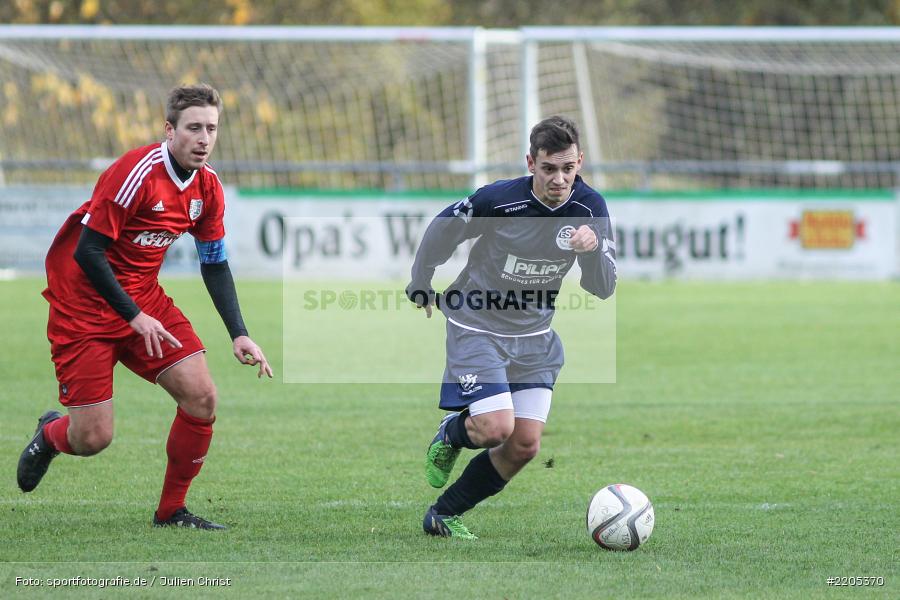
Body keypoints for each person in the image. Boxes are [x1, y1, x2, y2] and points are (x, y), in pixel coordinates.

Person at [17, 83, 273, 530]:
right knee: (93, 438)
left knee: (202, 397)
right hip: (84, 310)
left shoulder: (208, 188)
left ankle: (171, 511)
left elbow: (214, 263)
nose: (204, 138)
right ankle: (51, 435)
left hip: (144, 301)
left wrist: (239, 332)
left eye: (211, 128)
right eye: (194, 128)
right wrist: (133, 317)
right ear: (169, 129)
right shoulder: (136, 172)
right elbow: (88, 252)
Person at [406, 116, 617, 539]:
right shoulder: (500, 200)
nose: (559, 179)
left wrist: (592, 251)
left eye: (568, 169)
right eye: (549, 169)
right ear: (530, 163)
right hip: (477, 324)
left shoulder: (589, 209)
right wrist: (421, 282)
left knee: (524, 445)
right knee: (495, 428)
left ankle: (443, 515)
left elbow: (604, 287)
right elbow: (444, 228)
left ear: (580, 162)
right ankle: (450, 433)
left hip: (535, 337)